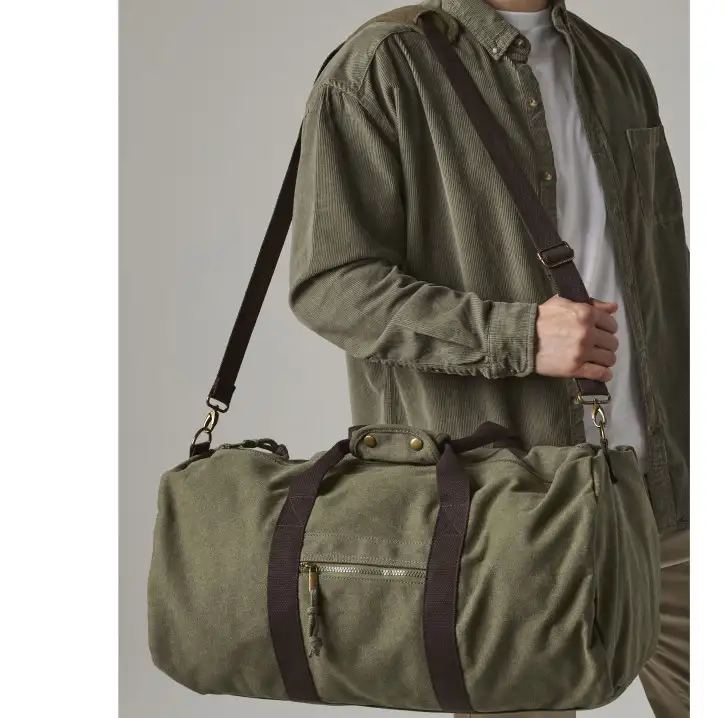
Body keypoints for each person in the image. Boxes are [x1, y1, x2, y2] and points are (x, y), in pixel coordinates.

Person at [289, 0, 689, 716]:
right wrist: (518, 336)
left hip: (663, 499)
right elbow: (332, 285)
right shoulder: (382, 66)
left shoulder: (616, 68)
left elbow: (664, 278)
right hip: (501, 516)